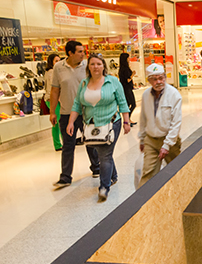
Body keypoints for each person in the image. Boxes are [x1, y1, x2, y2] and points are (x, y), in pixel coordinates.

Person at [66, 54, 130, 202]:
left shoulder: (112, 81)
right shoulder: (83, 83)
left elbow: (123, 102)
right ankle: (113, 176)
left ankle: (104, 187)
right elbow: (77, 104)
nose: (96, 67)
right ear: (88, 66)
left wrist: (126, 122)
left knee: (104, 154)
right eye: (93, 64)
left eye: (99, 64)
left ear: (103, 66)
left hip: (112, 122)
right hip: (91, 124)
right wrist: (71, 122)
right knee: (102, 151)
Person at [50, 41, 100, 189]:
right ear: (70, 53)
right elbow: (54, 90)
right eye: (79, 51)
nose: (82, 54)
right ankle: (65, 177)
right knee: (68, 145)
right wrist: (53, 111)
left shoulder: (87, 66)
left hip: (86, 112)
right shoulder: (58, 68)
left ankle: (96, 167)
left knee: (91, 141)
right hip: (66, 113)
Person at [138, 63, 182, 188]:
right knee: (148, 174)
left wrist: (167, 144)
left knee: (176, 171)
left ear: (165, 77)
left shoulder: (174, 94)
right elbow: (143, 118)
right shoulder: (146, 95)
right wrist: (142, 139)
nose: (159, 81)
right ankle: (144, 203)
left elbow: (176, 122)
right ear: (149, 80)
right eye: (154, 79)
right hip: (151, 140)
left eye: (161, 78)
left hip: (170, 141)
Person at [44, 53, 62, 151]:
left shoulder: (50, 71)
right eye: (56, 61)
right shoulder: (52, 72)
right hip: (53, 100)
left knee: (58, 123)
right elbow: (54, 89)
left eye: (59, 61)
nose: (58, 63)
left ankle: (61, 143)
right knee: (58, 123)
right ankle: (58, 144)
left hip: (51, 99)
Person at [118, 53, 137, 126]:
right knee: (133, 104)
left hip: (125, 89)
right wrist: (133, 74)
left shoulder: (122, 68)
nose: (129, 59)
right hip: (127, 89)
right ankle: (128, 119)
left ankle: (128, 119)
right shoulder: (125, 69)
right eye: (128, 58)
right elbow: (128, 80)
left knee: (128, 104)